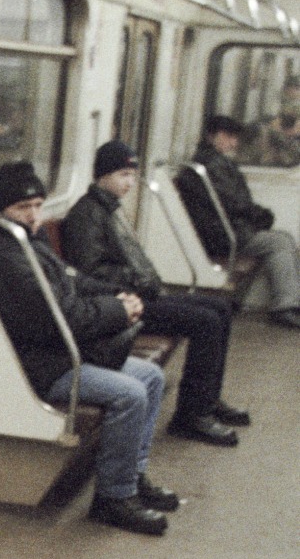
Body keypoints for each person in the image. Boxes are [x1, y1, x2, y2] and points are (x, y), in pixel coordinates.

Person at [0, 161, 178, 536]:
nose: (33, 216)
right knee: (130, 394)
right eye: (22, 208)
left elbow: (71, 281)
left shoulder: (28, 242)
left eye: (38, 205)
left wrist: (117, 296)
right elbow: (58, 319)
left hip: (62, 353)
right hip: (41, 364)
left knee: (150, 376)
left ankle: (131, 475)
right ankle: (113, 498)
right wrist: (118, 312)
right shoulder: (2, 257)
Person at [62, 141, 249, 447]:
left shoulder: (109, 209)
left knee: (221, 308)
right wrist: (137, 281)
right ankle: (191, 416)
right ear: (102, 175)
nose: (130, 183)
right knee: (206, 322)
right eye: (123, 174)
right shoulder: (87, 215)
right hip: (120, 303)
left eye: (133, 175)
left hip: (141, 293)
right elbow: (91, 273)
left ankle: (208, 399)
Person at [176, 115, 300, 330]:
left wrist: (257, 216)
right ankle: (284, 307)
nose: (233, 143)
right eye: (228, 137)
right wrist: (261, 216)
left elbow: (235, 202)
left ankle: (280, 302)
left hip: (225, 229)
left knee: (282, 239)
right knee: (280, 242)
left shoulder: (215, 163)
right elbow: (234, 203)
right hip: (221, 235)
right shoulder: (211, 166)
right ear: (212, 136)